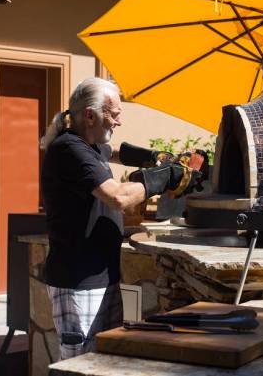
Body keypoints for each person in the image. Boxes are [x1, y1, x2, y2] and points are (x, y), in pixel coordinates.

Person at [39, 77, 201, 359]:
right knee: (80, 364)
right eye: (113, 115)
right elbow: (119, 198)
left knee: (105, 361)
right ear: (90, 115)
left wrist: (157, 157)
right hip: (79, 282)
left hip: (102, 276)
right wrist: (168, 176)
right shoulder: (69, 149)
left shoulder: (88, 142)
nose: (119, 122)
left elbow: (114, 151)